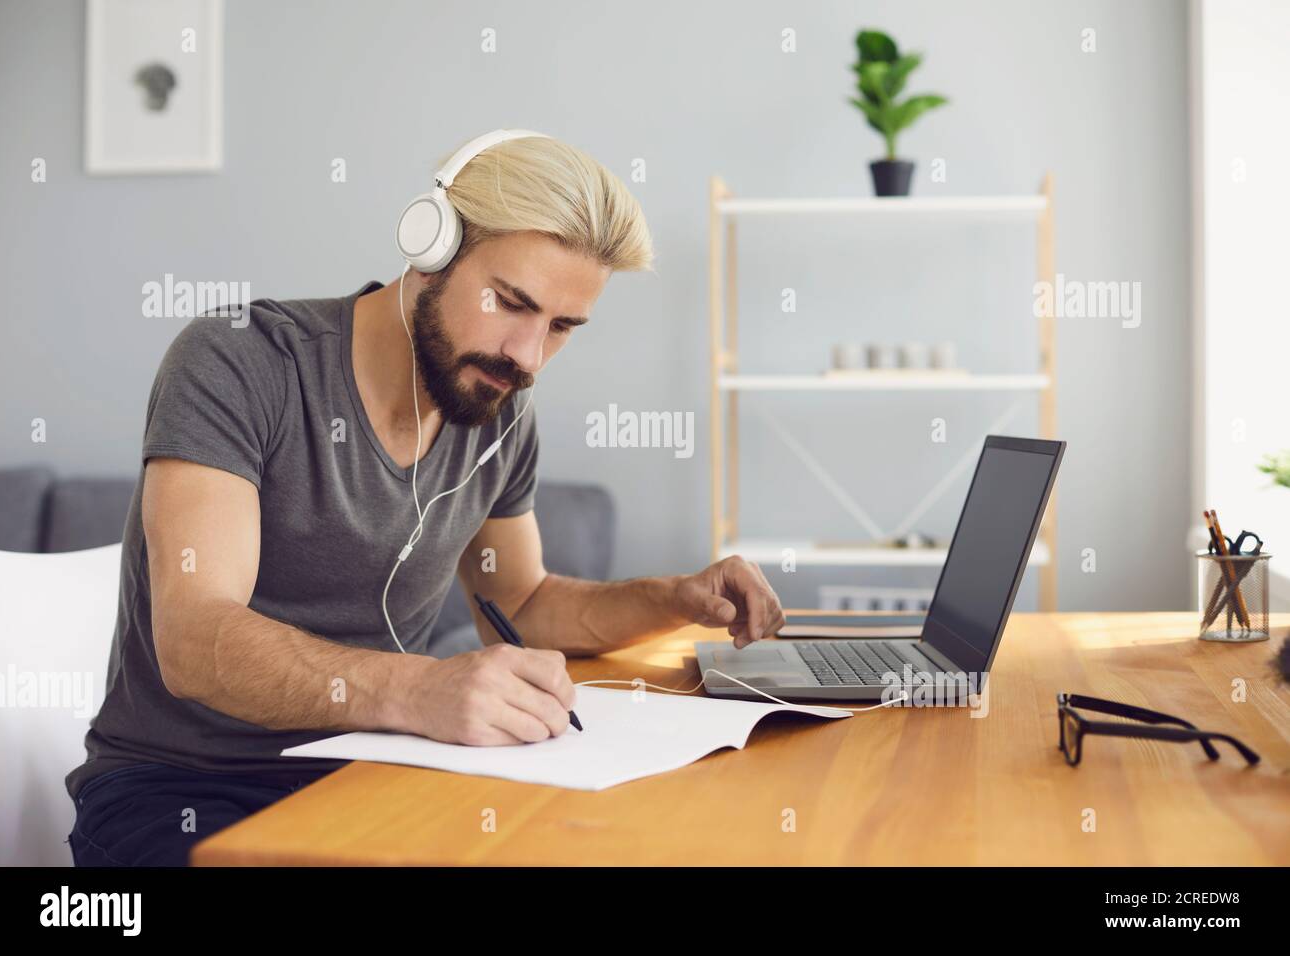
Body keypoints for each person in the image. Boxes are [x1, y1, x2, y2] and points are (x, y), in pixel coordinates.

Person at [66, 130, 784, 866]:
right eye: (510, 303)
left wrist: (676, 596)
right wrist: (417, 690)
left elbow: (523, 604)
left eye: (562, 327)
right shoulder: (238, 363)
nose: (528, 356)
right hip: (181, 790)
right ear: (431, 246)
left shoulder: (499, 408)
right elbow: (193, 641)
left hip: (375, 773)